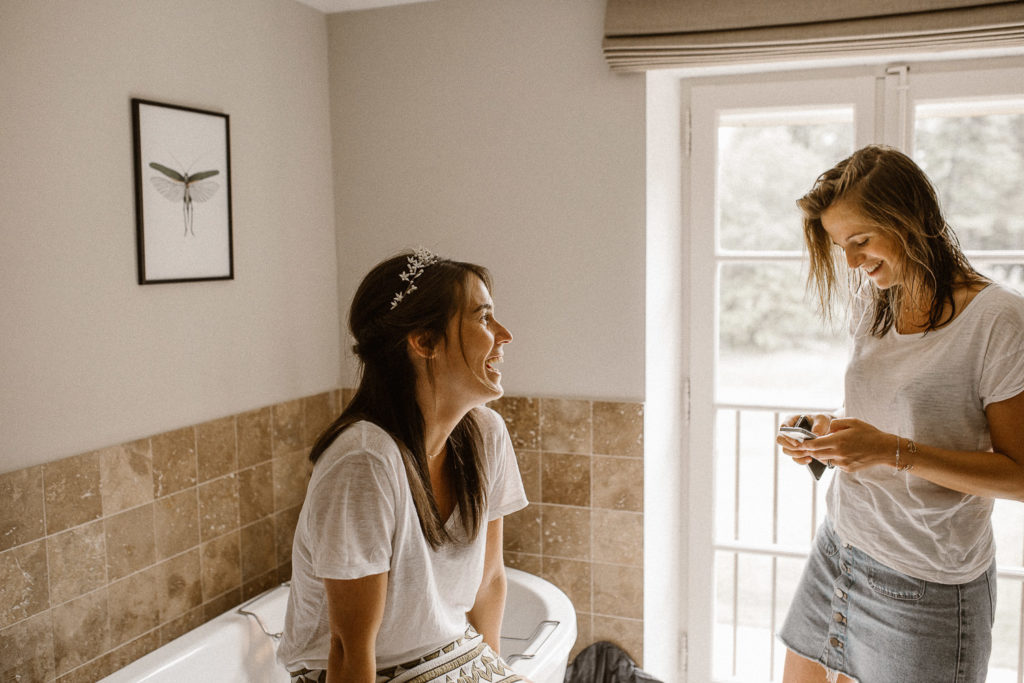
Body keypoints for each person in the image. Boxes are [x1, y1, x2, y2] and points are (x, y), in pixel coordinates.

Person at [776, 145, 1024, 683]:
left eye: (860, 241)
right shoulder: (876, 305)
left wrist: (892, 451)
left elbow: (1020, 475)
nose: (852, 262)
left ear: (909, 221)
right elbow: (888, 414)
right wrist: (826, 433)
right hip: (841, 544)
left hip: (926, 581)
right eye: (842, 247)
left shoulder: (998, 319)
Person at [277, 248, 529, 683]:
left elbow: (488, 583)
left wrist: (498, 676)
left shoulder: (486, 434)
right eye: (483, 318)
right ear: (424, 341)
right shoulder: (364, 461)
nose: (504, 335)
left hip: (455, 657)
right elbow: (348, 650)